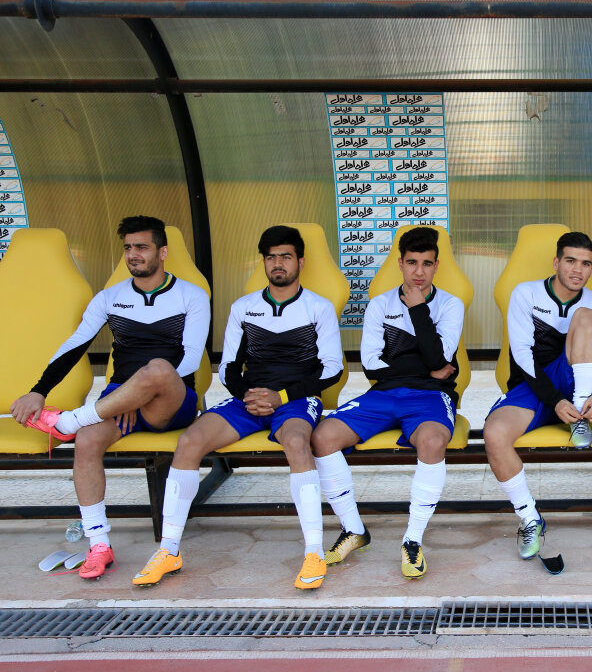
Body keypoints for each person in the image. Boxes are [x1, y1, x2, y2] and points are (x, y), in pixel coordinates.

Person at [131, 225, 343, 589]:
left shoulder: (318, 307)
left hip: (295, 399)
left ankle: (314, 552)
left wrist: (281, 397)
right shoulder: (244, 308)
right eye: (271, 257)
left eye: (286, 256)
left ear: (301, 262)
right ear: (264, 262)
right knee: (189, 441)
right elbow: (229, 367)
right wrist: (250, 396)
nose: (278, 263)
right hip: (249, 398)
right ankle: (168, 550)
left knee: (297, 442)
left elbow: (332, 368)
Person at [12, 216, 209, 580]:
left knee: (158, 369)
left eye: (142, 247)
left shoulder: (192, 295)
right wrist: (39, 390)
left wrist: (135, 398)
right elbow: (75, 346)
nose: (133, 254)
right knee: (87, 440)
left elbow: (191, 360)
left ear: (162, 252)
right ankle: (99, 544)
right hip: (119, 398)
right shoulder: (109, 298)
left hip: (171, 399)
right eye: (128, 248)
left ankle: (70, 420)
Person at [309, 226, 464, 579]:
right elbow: (372, 365)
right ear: (400, 264)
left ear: (437, 265)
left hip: (430, 396)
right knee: (322, 437)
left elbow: (441, 357)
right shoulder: (380, 304)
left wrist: (419, 309)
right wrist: (428, 367)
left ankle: (412, 539)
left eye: (427, 263)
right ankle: (353, 530)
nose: (419, 272)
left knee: (433, 441)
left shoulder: (450, 304)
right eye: (412, 263)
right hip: (384, 394)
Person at [483, 231, 592, 560]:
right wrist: (555, 401)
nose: (577, 270)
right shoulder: (526, 293)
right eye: (570, 261)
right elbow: (522, 356)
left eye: (586, 263)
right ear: (556, 262)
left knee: (588, 315)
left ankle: (579, 418)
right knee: (494, 433)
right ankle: (530, 518)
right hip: (534, 386)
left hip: (576, 385)